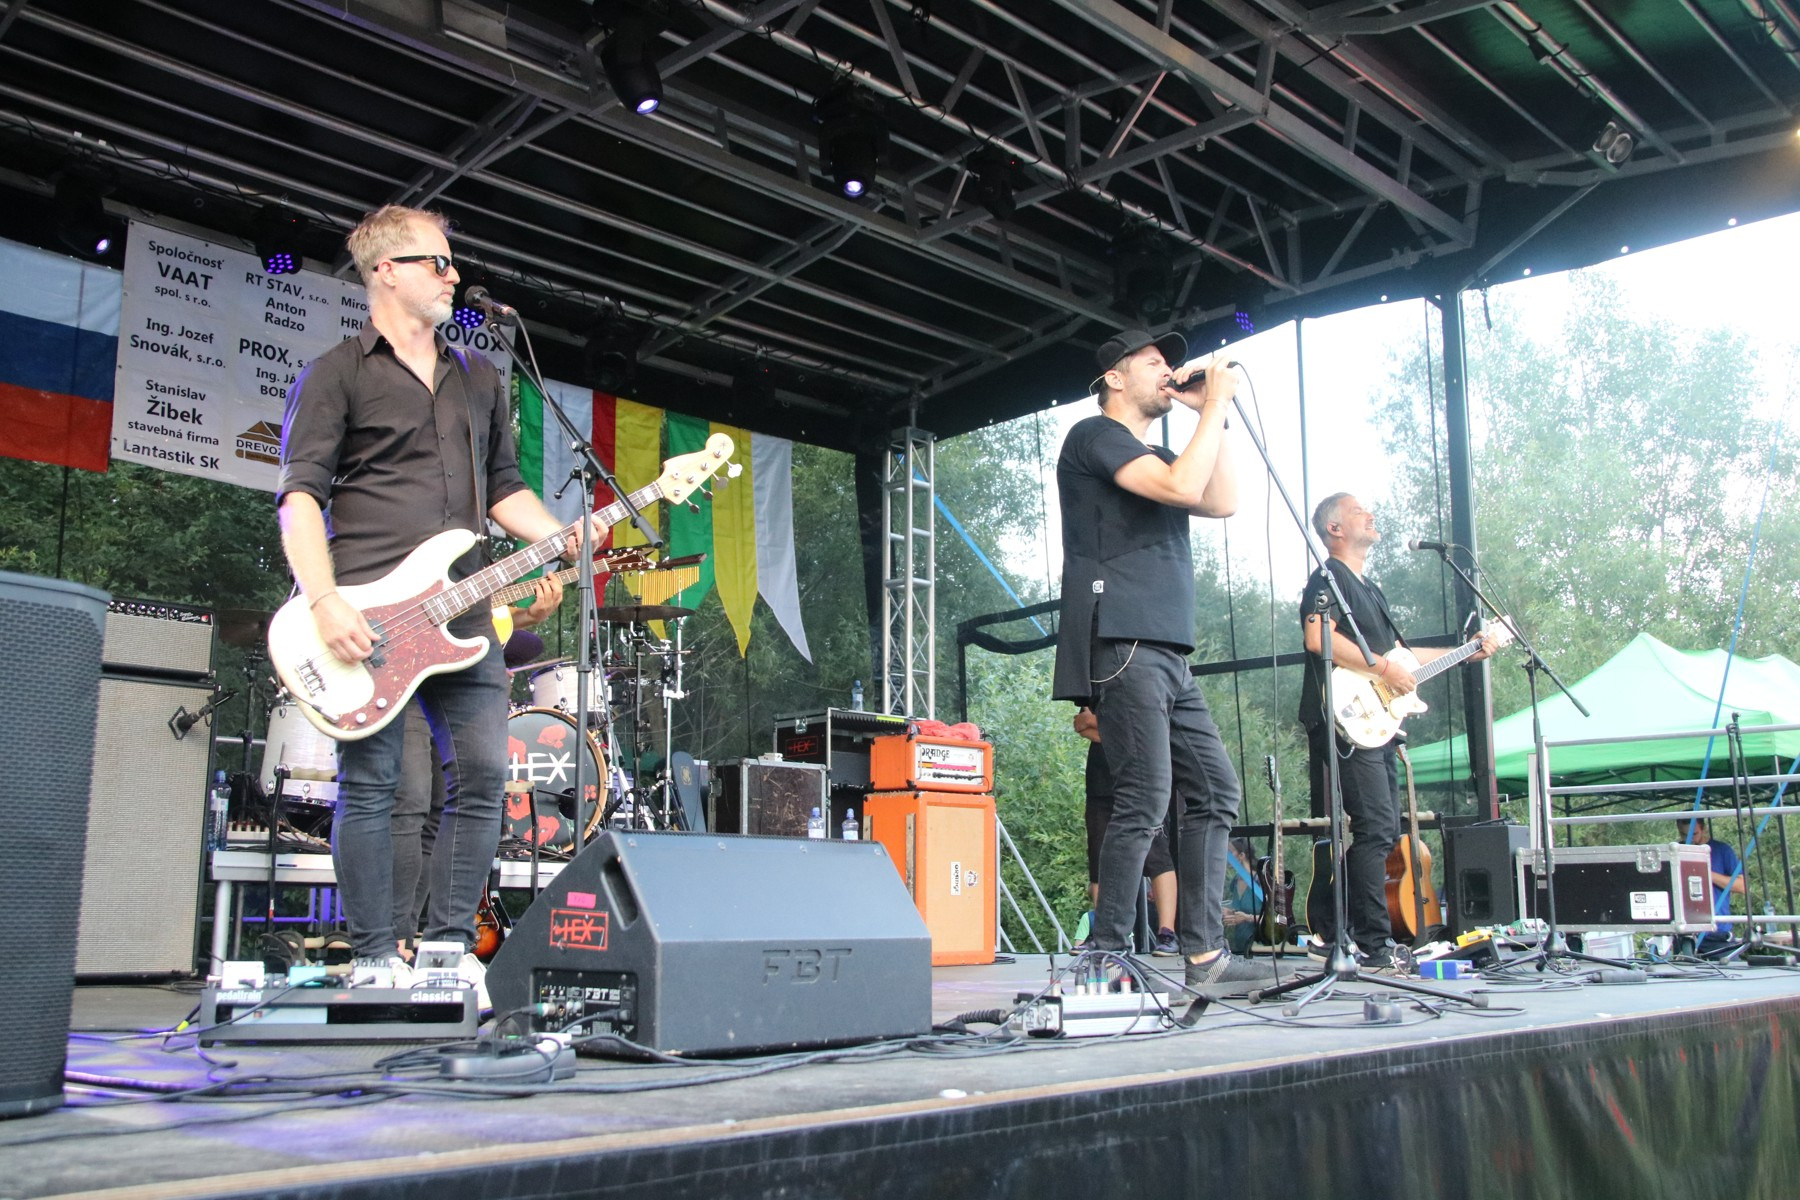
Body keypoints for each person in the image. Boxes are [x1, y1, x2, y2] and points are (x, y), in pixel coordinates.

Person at [278, 204, 579, 1000]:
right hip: (364, 614)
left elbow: (504, 487)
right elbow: (299, 497)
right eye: (437, 262)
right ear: (385, 271)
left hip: (464, 612)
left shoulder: (479, 376)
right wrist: (322, 601)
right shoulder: (336, 372)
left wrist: (559, 536)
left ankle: (446, 951)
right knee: (378, 785)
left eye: (451, 262)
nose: (453, 275)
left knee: (484, 775)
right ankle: (376, 956)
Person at [1051, 326, 1265, 994]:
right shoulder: (1095, 436)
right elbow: (1178, 486)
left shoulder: (1168, 453)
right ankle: (1107, 954)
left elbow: (1222, 500)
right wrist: (1214, 400)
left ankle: (1203, 951)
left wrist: (1213, 416)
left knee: (1216, 790)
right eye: (1153, 361)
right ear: (1115, 378)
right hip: (1123, 638)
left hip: (1168, 650)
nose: (1168, 370)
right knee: (1144, 796)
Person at [1298, 493, 1494, 971]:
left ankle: (1335, 928)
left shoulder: (1371, 589)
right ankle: (1371, 942)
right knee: (1375, 828)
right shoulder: (1327, 578)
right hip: (1347, 717)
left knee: (1382, 831)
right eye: (1358, 510)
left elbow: (1403, 658)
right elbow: (1318, 636)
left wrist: (1465, 651)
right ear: (1334, 528)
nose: (1370, 514)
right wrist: (1384, 669)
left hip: (1377, 722)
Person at [392, 576, 564, 958]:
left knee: (441, 808)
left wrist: (527, 616)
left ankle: (426, 938)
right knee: (411, 799)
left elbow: (472, 614)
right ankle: (391, 940)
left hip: (455, 678)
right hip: (405, 670)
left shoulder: (476, 558)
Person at [1073, 707, 1179, 956]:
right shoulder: (1098, 692)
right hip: (1101, 781)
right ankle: (1103, 934)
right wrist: (1121, 732)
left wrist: (1102, 727)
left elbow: (1150, 729)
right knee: (1099, 858)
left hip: (1142, 779)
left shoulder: (1144, 691)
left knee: (1157, 856)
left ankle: (1167, 933)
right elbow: (1081, 724)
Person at [1677, 816, 1746, 952]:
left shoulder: (1721, 850)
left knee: (1730, 965)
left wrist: (1706, 873)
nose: (1689, 839)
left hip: (1717, 932)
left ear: (1703, 829)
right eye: (1684, 835)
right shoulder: (1676, 851)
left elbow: (1741, 886)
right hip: (1684, 931)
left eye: (1694, 834)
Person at [1222, 837, 1263, 958]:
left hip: (1260, 948)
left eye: (1230, 852)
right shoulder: (1234, 882)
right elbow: (1239, 908)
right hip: (1238, 948)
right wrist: (1229, 912)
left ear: (1241, 856)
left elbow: (1275, 919)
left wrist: (1247, 918)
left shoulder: (1261, 881)